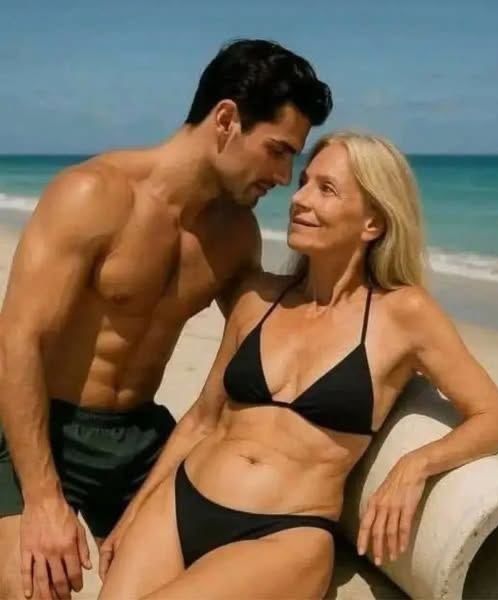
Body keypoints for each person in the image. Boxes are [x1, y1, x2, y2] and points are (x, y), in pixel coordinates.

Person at [98, 131, 498, 600]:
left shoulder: (404, 315)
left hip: (284, 536)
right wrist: (136, 510)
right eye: (304, 182)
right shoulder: (258, 299)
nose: (300, 199)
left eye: (325, 189)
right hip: (180, 502)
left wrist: (416, 465)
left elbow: (495, 415)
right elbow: (201, 419)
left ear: (372, 222)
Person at [0, 39, 332, 600]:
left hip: (135, 437)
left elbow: (267, 330)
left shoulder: (234, 235)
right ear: (225, 120)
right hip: (32, 425)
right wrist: (42, 500)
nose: (284, 176)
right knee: (30, 586)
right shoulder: (93, 195)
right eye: (277, 151)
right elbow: (17, 341)